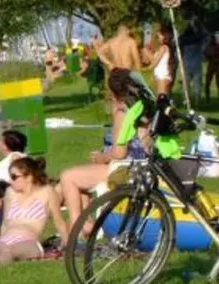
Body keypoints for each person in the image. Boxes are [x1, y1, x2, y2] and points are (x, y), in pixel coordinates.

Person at [57, 70, 153, 227]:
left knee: (68, 177)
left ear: (112, 92)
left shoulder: (123, 113)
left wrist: (100, 157)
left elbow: (119, 153)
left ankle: (78, 227)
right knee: (83, 177)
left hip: (127, 169)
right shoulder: (144, 108)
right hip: (145, 165)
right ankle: (87, 223)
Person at [0, 156, 68, 266]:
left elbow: (59, 222)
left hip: (29, 241)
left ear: (29, 177)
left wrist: (68, 247)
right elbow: (5, 223)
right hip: (6, 239)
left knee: (10, 251)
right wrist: (0, 239)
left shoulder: (47, 192)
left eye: (14, 177)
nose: (10, 181)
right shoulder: (10, 192)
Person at [179, 20, 207, 107]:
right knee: (197, 85)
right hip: (196, 65)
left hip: (186, 65)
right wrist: (200, 26)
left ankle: (186, 101)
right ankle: (197, 102)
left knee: (186, 85)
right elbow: (206, 35)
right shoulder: (197, 39)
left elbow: (178, 42)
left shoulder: (183, 41)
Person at [145, 24, 176, 98]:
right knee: (163, 99)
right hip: (161, 76)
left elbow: (154, 63)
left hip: (162, 76)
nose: (158, 37)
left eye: (159, 35)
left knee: (161, 100)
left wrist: (146, 52)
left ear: (165, 36)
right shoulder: (163, 48)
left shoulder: (163, 48)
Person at [203, 32, 219, 102]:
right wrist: (207, 57)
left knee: (218, 83)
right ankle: (207, 97)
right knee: (207, 83)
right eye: (210, 39)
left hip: (218, 65)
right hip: (210, 65)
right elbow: (204, 55)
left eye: (212, 39)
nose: (211, 40)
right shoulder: (207, 46)